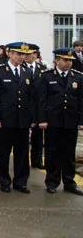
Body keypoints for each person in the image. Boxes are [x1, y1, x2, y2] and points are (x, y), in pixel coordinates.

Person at [0, 42, 36, 194]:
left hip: (22, 120)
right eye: (18, 54)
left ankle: (21, 181)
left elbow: (31, 98)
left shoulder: (27, 72)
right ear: (9, 53)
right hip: (5, 120)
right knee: (3, 153)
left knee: (22, 153)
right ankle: (4, 181)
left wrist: (32, 118)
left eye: (23, 54)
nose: (21, 57)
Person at [37, 48, 83, 195]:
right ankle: (52, 181)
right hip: (53, 121)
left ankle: (69, 182)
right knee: (52, 152)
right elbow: (42, 100)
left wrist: (81, 121)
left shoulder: (78, 77)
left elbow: (81, 101)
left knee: (69, 153)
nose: (68, 63)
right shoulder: (46, 76)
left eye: (70, 60)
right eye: (65, 60)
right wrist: (42, 119)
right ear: (57, 60)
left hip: (70, 120)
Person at [25, 43, 48, 169]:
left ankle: (37, 160)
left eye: (29, 54)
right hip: (24, 107)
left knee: (38, 138)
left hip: (38, 107)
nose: (26, 57)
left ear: (35, 54)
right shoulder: (21, 68)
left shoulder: (42, 69)